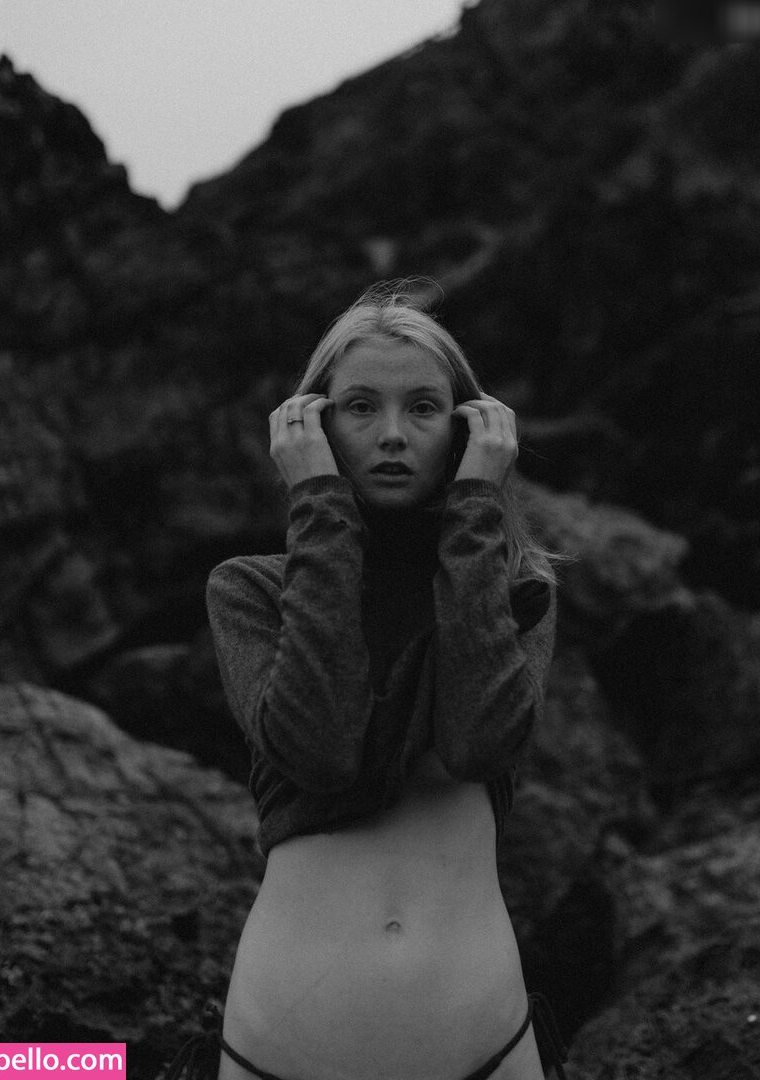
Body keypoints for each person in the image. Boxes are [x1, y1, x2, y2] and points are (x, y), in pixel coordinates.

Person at [166, 282, 567, 1080]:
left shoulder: (516, 592)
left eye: (423, 408)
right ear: (312, 425)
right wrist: (318, 503)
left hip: (487, 1047)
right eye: (359, 407)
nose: (391, 434)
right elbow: (318, 751)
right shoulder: (248, 590)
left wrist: (476, 506)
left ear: (466, 427)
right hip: (280, 1050)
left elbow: (478, 743)